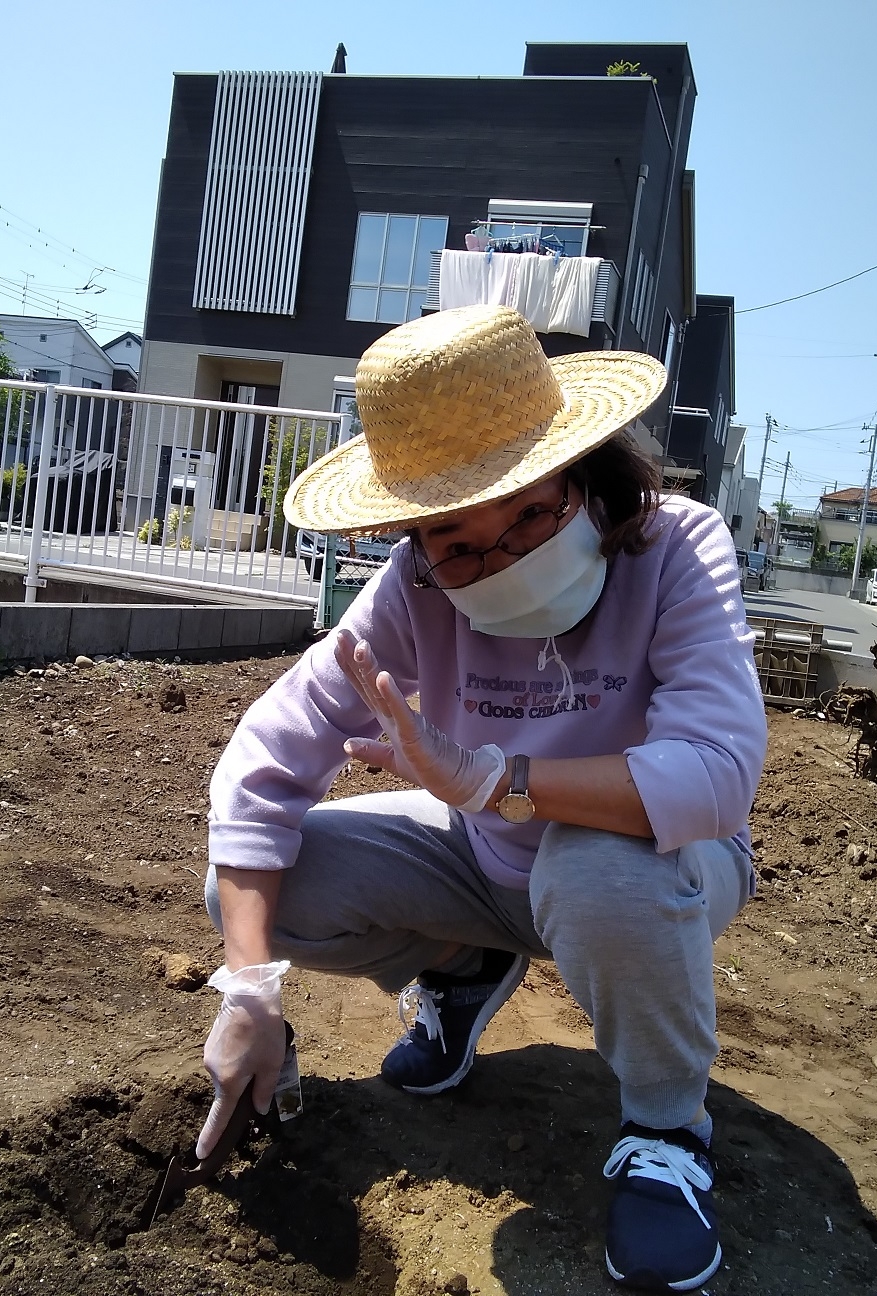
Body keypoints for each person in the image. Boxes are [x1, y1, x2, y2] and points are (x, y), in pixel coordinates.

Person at [197, 304, 767, 1292]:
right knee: (257, 887)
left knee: (596, 869)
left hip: (656, 866)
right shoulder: (413, 592)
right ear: (413, 538)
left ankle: (667, 1133)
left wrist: (503, 781)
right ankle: (466, 970)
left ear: (585, 477)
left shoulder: (675, 547)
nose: (501, 561)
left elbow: (717, 773)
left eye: (532, 516)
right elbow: (265, 761)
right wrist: (248, 984)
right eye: (459, 543)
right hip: (487, 866)